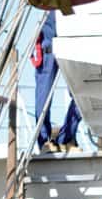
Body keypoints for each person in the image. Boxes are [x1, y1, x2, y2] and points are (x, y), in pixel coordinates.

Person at [34, 11, 81, 153]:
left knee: (81, 93)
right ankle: (45, 141)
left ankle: (67, 138)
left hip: (73, 46)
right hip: (48, 48)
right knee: (44, 97)